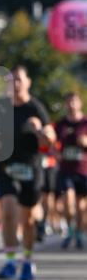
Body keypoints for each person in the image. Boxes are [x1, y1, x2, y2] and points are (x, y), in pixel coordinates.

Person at [0, 66, 55, 280]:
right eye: (11, 81)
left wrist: (39, 130)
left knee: (27, 220)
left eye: (19, 80)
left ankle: (27, 260)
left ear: (28, 82)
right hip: (5, 166)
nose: (15, 84)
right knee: (8, 210)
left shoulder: (35, 108)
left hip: (30, 167)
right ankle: (10, 260)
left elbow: (50, 139)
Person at [55, 91, 87, 249]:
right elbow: (50, 144)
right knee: (68, 200)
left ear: (80, 103)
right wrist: (55, 154)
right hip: (66, 169)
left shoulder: (85, 123)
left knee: (81, 206)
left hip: (83, 169)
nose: (71, 105)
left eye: (74, 101)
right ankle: (69, 229)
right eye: (68, 102)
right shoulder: (61, 124)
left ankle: (80, 233)